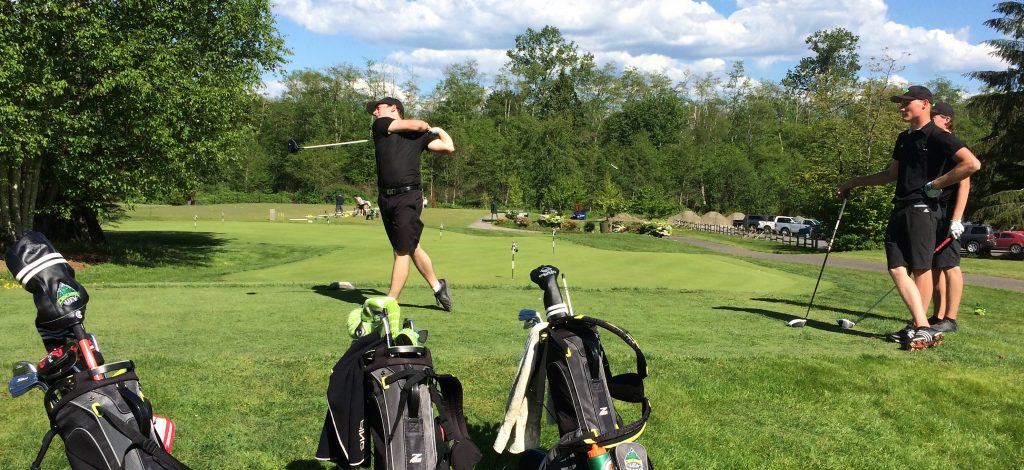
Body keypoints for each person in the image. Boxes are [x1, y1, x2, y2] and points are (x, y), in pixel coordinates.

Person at [838, 86, 980, 349]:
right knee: (896, 267)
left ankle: (919, 326)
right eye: (900, 104)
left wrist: (936, 183)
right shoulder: (904, 138)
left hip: (923, 209)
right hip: (901, 206)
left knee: (921, 268)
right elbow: (890, 174)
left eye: (906, 103)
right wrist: (854, 182)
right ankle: (921, 326)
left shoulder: (938, 135)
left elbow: (971, 164)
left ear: (925, 104)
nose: (901, 108)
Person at [366, 97, 455, 311]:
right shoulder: (380, 126)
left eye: (378, 108)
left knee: (401, 251)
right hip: (385, 198)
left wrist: (438, 129)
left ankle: (390, 302)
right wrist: (425, 128)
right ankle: (438, 286)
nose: (375, 113)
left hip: (408, 197)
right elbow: (417, 124)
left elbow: (448, 147)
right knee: (410, 247)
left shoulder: (419, 137)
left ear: (393, 108)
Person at [929, 102, 970, 334]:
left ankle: (951, 319)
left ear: (946, 119)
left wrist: (957, 219)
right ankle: (938, 315)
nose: (930, 119)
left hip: (949, 215)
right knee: (935, 265)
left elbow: (964, 183)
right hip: (934, 212)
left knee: (950, 265)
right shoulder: (936, 144)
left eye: (934, 116)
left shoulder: (951, 144)